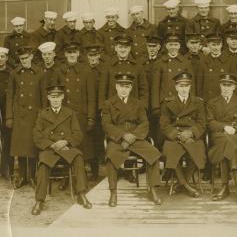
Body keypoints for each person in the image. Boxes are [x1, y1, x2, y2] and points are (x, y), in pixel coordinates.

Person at [101, 73, 162, 207]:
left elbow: (144, 123)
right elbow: (106, 125)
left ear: (131, 88)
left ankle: (153, 190)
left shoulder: (138, 103)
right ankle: (113, 192)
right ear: (116, 87)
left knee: (154, 153)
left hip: (135, 138)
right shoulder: (108, 103)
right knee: (110, 156)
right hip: (118, 139)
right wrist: (122, 135)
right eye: (121, 86)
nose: (124, 89)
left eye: (127, 86)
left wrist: (132, 137)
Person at [31, 82, 92, 215]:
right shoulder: (42, 114)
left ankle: (81, 193)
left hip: (66, 148)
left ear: (62, 97)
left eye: (58, 97)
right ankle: (39, 200)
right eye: (53, 97)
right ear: (48, 98)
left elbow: (77, 134)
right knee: (43, 164)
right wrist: (52, 144)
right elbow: (36, 135)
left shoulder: (70, 113)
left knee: (78, 157)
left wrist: (65, 141)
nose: (55, 100)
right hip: (50, 148)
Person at [55, 41, 98, 179]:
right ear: (65, 54)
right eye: (69, 53)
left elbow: (91, 97)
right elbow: (55, 94)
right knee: (68, 143)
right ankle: (67, 175)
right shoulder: (59, 71)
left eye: (74, 52)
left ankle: (87, 172)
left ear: (78, 54)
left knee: (86, 146)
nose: (72, 55)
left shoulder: (86, 71)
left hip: (82, 115)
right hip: (65, 115)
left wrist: (91, 117)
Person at [160, 72, 206, 198]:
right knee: (171, 151)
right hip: (175, 136)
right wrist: (178, 134)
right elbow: (164, 125)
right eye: (181, 86)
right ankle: (186, 185)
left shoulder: (198, 102)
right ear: (176, 87)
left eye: (186, 86)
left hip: (191, 136)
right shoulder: (167, 102)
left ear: (190, 87)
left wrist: (190, 133)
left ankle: (180, 183)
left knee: (198, 150)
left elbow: (202, 123)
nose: (184, 89)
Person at [206, 74, 237, 201]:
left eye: (229, 85)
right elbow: (209, 122)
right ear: (220, 86)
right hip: (219, 135)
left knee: (227, 144)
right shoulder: (212, 103)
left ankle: (224, 186)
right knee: (225, 142)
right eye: (223, 85)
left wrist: (236, 128)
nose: (226, 88)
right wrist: (224, 127)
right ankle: (235, 174)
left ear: (234, 87)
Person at [6, 46, 45, 188]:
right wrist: (9, 117)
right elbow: (10, 96)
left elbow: (43, 97)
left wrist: (43, 116)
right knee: (20, 147)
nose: (24, 61)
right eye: (21, 59)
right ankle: (22, 176)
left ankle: (32, 176)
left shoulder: (39, 73)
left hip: (34, 116)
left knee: (33, 147)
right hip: (19, 116)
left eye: (26, 58)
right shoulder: (14, 73)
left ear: (31, 57)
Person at [98, 33, 148, 111]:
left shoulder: (137, 66)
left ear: (129, 49)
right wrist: (102, 109)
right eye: (120, 47)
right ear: (115, 48)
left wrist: (143, 107)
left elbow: (143, 90)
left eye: (125, 47)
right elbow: (102, 90)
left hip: (133, 109)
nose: (123, 50)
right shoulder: (108, 66)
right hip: (112, 109)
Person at [151, 33, 193, 111]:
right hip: (165, 103)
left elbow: (191, 85)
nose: (173, 47)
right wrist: (155, 106)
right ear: (166, 46)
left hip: (182, 102)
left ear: (179, 46)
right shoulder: (159, 63)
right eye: (170, 44)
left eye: (176, 45)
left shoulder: (186, 62)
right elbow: (155, 87)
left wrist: (192, 104)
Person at [196, 33, 234, 102]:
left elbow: (233, 83)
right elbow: (199, 83)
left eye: (218, 45)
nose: (216, 48)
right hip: (207, 99)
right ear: (208, 45)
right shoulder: (203, 62)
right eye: (213, 45)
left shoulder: (229, 61)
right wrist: (200, 98)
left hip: (223, 99)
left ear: (221, 45)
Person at [0, 47, 12, 179]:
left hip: (6, 111)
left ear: (7, 58)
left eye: (2, 56)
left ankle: (6, 169)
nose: (0, 59)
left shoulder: (11, 73)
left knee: (7, 140)